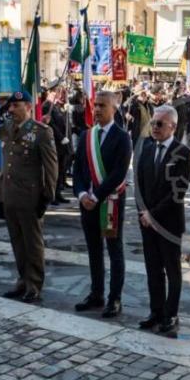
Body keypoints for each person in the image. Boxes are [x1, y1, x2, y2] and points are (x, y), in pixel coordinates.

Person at [0, 90, 58, 303]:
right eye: (10, 106)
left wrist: (47, 195)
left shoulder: (41, 131)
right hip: (9, 194)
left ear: (28, 106)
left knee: (32, 243)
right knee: (17, 241)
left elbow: (51, 166)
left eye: (16, 106)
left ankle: (34, 284)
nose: (12, 109)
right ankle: (23, 280)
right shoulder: (8, 127)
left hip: (30, 195)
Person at [134, 105, 190, 335]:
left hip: (168, 222)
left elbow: (178, 191)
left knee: (172, 270)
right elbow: (138, 183)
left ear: (173, 126)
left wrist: (153, 214)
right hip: (147, 222)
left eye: (160, 124)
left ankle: (171, 314)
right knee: (153, 270)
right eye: (153, 123)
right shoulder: (146, 148)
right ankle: (155, 311)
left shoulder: (183, 153)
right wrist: (143, 212)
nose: (155, 127)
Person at [73, 90, 133, 317]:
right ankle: (96, 294)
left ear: (113, 109)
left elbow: (119, 173)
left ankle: (114, 299)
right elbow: (77, 169)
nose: (97, 109)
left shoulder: (122, 137)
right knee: (93, 249)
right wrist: (81, 195)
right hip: (86, 202)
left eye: (102, 106)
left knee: (114, 251)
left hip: (110, 202)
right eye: (95, 105)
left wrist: (96, 196)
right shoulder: (87, 136)